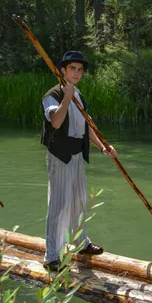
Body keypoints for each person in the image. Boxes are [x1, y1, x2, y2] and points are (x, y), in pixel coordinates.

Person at [41, 50, 117, 271]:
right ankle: (52, 256)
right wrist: (66, 97)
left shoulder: (79, 95)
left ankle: (81, 243)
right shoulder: (52, 96)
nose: (76, 73)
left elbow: (87, 128)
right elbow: (55, 122)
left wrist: (103, 147)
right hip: (60, 156)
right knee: (59, 205)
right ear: (63, 71)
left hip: (76, 155)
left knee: (79, 202)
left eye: (80, 69)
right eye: (72, 69)